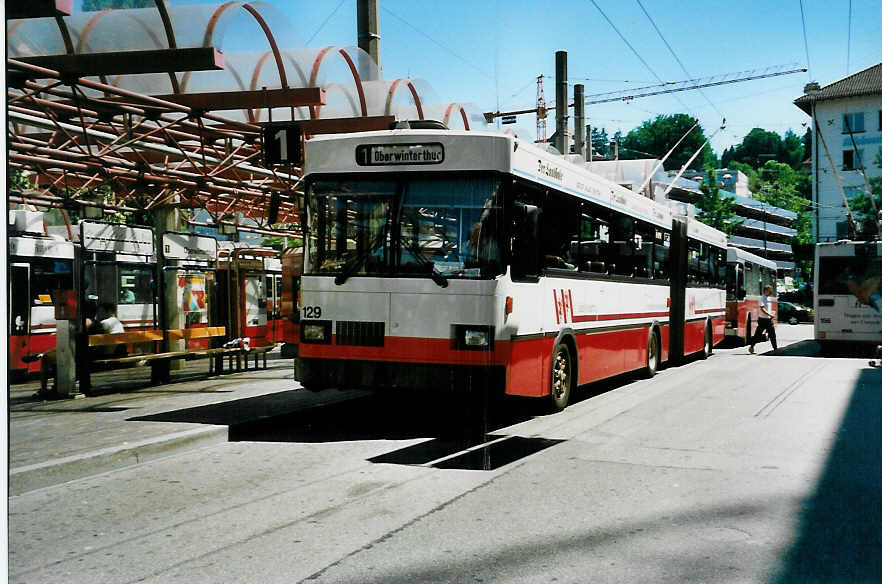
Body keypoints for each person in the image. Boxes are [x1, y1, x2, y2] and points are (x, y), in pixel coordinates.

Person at [749, 285, 777, 353]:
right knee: (758, 335)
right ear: (765, 291)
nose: (771, 291)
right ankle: (752, 346)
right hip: (762, 320)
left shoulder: (769, 298)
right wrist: (769, 314)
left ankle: (776, 349)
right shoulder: (762, 298)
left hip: (769, 320)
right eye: (769, 290)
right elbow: (762, 308)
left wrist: (771, 314)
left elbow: (768, 308)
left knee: (772, 334)